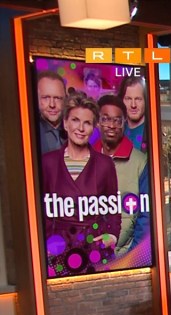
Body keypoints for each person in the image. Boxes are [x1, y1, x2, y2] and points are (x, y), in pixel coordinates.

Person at [40, 93, 119, 277]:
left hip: (96, 248)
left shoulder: (105, 164)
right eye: (75, 120)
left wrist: (112, 235)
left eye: (87, 123)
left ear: (93, 128)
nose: (81, 128)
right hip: (60, 249)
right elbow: (41, 210)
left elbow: (113, 208)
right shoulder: (47, 163)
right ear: (65, 123)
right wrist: (46, 243)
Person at [93, 94, 150, 256]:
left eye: (117, 120)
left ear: (124, 123)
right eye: (106, 119)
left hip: (126, 255)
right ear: (97, 122)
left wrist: (132, 255)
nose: (111, 125)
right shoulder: (86, 159)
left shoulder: (140, 162)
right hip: (92, 256)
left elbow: (146, 217)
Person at [36, 70, 67, 154]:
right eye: (46, 98)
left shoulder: (75, 129)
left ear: (65, 99)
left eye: (57, 98)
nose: (52, 105)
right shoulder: (30, 132)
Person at [118, 76, 147, 152]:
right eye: (128, 99)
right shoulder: (116, 129)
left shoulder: (152, 131)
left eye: (138, 99)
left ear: (146, 101)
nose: (133, 105)